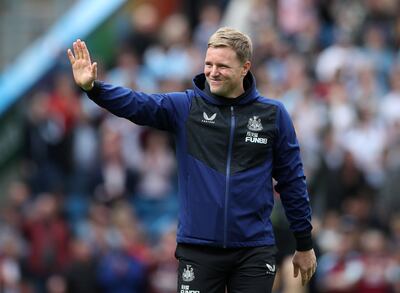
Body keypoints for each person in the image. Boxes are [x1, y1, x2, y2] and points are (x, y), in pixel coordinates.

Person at [67, 27, 317, 293]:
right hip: (198, 250)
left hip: (253, 250)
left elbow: (292, 182)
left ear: (245, 67)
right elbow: (137, 104)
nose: (212, 72)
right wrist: (94, 88)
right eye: (208, 64)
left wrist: (303, 243)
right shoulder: (186, 107)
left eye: (222, 65)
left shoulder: (273, 115)